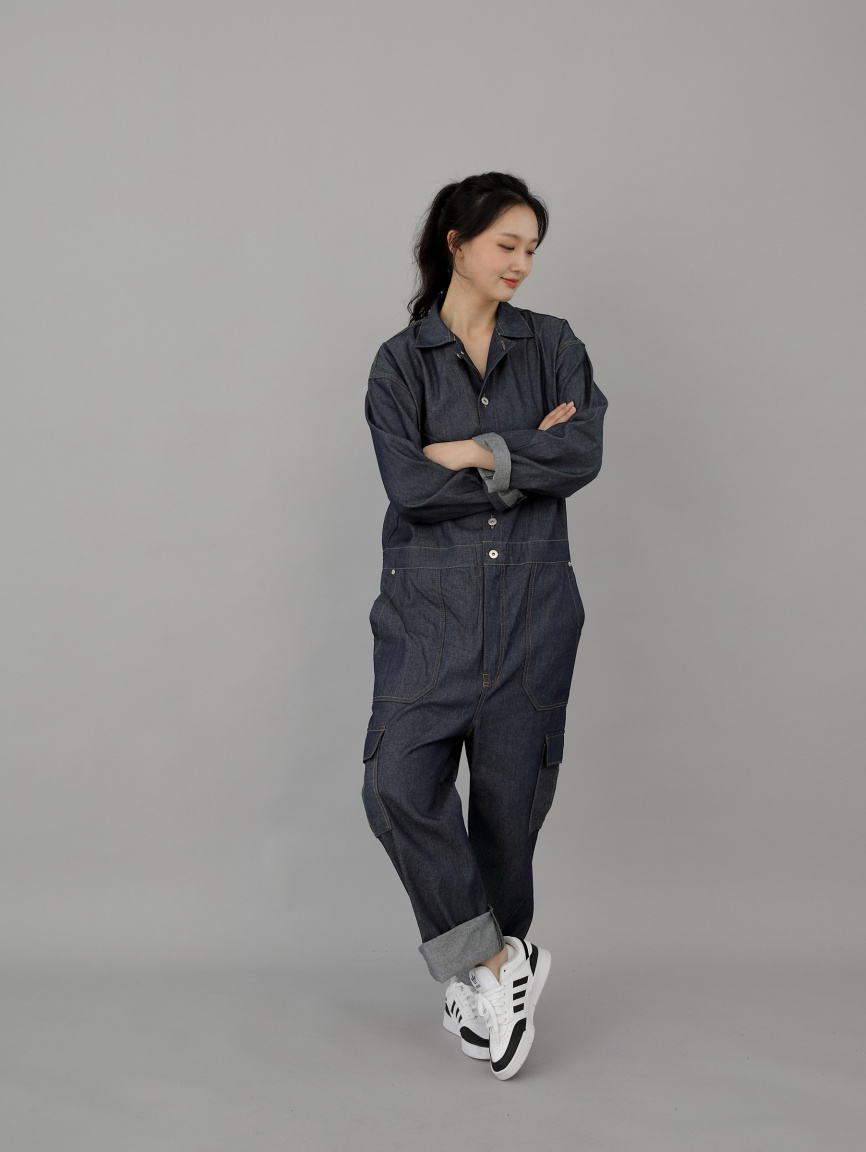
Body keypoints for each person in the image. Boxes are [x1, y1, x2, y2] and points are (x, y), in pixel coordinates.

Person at [361, 171, 608, 1079]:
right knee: (395, 785)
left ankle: (485, 990)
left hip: (534, 613)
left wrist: (472, 449)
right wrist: (525, 458)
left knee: (508, 815)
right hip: (427, 617)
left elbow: (583, 449)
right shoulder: (401, 364)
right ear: (457, 242)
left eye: (533, 249)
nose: (522, 263)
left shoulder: (555, 345)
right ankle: (499, 965)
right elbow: (409, 486)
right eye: (508, 244)